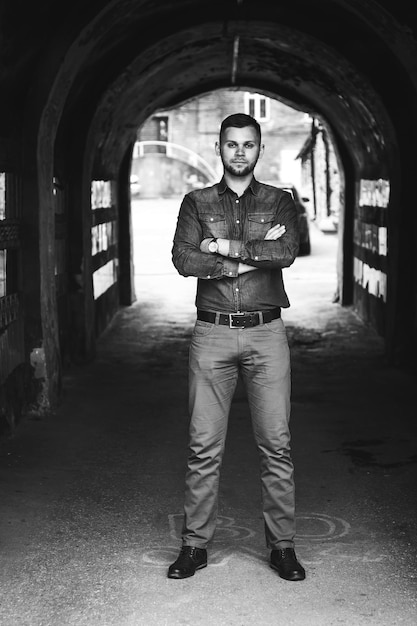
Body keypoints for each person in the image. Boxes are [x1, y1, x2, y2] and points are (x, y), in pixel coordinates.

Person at [169, 113, 305, 582]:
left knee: (276, 444)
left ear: (260, 148)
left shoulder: (279, 201)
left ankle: (282, 547)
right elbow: (184, 258)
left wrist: (222, 246)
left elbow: (286, 252)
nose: (240, 152)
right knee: (203, 446)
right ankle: (194, 546)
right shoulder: (196, 201)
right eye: (232, 144)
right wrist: (246, 258)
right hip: (212, 333)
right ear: (220, 148)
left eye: (249, 144)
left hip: (268, 333)